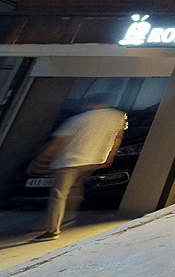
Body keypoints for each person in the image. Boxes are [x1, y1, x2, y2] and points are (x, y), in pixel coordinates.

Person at [27, 92, 127, 241]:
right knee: (75, 189)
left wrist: (40, 160)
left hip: (70, 162)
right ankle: (68, 217)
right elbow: (117, 137)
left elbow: (59, 143)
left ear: (89, 104)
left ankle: (52, 230)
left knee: (58, 195)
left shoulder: (76, 120)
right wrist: (109, 157)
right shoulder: (117, 116)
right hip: (93, 161)